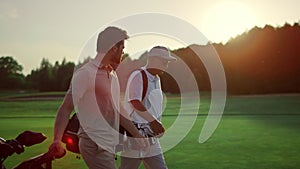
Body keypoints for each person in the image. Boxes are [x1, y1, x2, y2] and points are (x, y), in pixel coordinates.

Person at [49, 26, 149, 169]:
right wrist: (57, 140)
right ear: (114, 48)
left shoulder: (112, 75)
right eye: (122, 49)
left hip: (109, 144)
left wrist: (137, 135)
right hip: (94, 146)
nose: (123, 53)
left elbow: (118, 109)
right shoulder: (85, 74)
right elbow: (66, 109)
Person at [120, 46, 177, 169]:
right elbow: (135, 102)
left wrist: (155, 124)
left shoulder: (157, 79)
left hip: (151, 138)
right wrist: (154, 122)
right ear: (153, 60)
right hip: (136, 136)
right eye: (164, 61)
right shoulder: (138, 75)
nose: (166, 65)